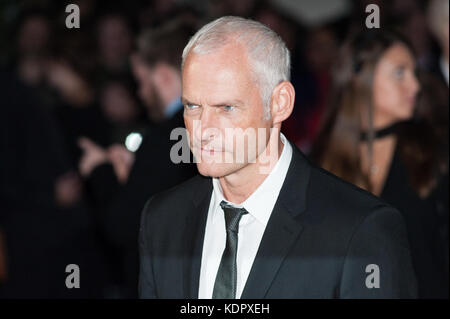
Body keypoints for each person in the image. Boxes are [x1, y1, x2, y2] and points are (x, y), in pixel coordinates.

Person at [139, 16, 417, 299]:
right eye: (192, 106)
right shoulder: (163, 220)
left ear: (279, 103)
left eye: (226, 107)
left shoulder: (359, 229)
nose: (203, 130)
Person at [312, 30, 448, 298]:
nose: (414, 85)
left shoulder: (433, 151)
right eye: (399, 73)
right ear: (361, 78)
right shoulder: (321, 161)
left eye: (414, 72)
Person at [78, 20, 197, 298]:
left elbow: (123, 225)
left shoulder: (167, 134)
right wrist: (132, 173)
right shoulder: (207, 126)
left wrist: (101, 169)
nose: (141, 93)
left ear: (165, 77)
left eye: (143, 81)